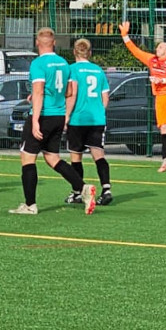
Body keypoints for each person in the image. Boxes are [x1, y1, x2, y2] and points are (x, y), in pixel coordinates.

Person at [10, 28, 93, 215]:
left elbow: (39, 91)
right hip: (58, 116)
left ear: (37, 43)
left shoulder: (38, 64)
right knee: (52, 157)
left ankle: (30, 205)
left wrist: (36, 120)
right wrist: (62, 112)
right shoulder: (64, 63)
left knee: (27, 158)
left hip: (43, 115)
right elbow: (69, 92)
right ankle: (83, 187)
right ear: (54, 43)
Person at [119, 21, 166, 172]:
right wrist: (125, 36)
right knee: (164, 129)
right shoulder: (151, 60)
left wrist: (162, 80)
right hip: (159, 97)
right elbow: (135, 51)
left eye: (160, 47)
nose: (157, 48)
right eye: (158, 47)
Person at [65, 38, 111, 212]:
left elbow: (71, 93)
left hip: (78, 119)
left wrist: (67, 115)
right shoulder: (98, 71)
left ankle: (78, 191)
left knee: (76, 156)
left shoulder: (72, 69)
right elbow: (105, 97)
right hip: (96, 119)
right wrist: (99, 111)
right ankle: (106, 189)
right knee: (98, 154)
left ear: (74, 52)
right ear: (90, 52)